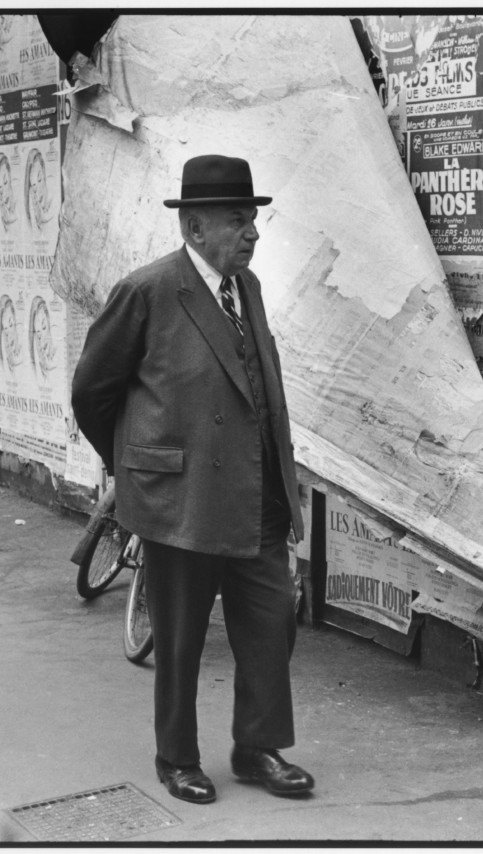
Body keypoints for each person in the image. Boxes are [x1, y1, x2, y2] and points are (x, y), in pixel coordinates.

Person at [71, 154, 312, 806]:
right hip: (181, 499)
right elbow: (93, 391)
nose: (252, 233)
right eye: (239, 221)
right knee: (178, 641)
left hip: (257, 494)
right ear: (196, 228)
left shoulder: (249, 289)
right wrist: (136, 469)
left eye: (253, 219)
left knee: (272, 619)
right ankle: (177, 758)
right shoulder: (149, 292)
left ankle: (257, 748)